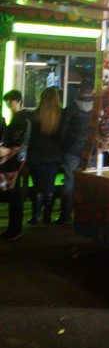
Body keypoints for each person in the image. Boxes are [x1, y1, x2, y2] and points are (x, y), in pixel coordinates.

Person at [57, 77, 95, 224]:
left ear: (79, 90)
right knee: (90, 183)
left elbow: (63, 131)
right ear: (93, 90)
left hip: (72, 150)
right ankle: (87, 215)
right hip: (91, 151)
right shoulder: (98, 108)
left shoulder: (70, 108)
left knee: (69, 182)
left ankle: (66, 215)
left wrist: (65, 146)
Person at [27, 87, 64, 225]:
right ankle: (47, 216)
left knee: (38, 186)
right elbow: (63, 135)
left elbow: (30, 137)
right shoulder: (61, 114)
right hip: (55, 155)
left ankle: (35, 216)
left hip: (37, 155)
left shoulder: (35, 114)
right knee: (50, 186)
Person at [0, 90, 30, 240]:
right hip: (19, 160)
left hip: (14, 162)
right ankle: (15, 229)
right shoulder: (24, 118)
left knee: (14, 196)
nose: (8, 103)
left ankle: (14, 230)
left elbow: (15, 146)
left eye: (10, 100)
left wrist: (4, 159)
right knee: (15, 196)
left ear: (18, 101)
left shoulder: (19, 120)